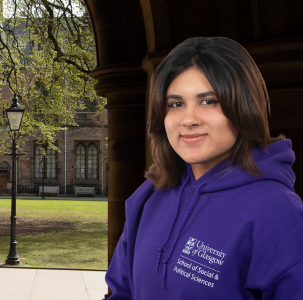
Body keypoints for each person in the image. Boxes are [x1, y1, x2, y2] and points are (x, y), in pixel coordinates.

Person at [105, 36, 303, 299]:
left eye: (208, 101)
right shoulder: (149, 196)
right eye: (176, 104)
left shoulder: (279, 212)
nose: (189, 119)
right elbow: (121, 293)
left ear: (243, 106)